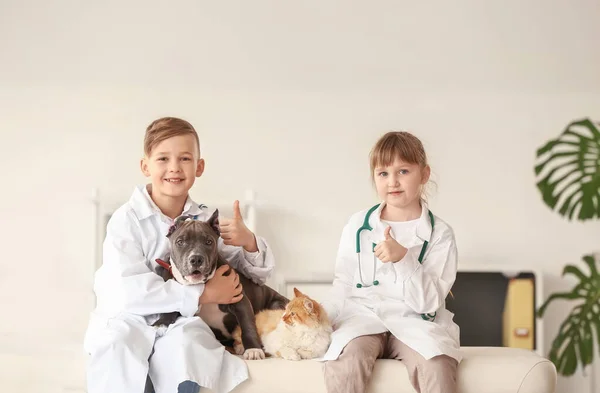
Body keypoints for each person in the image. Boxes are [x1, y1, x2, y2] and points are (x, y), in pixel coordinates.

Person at [83, 117, 275, 393]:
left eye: (184, 158)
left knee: (189, 348)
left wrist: (249, 242)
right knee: (119, 350)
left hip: (182, 323)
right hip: (129, 320)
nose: (174, 168)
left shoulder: (205, 221)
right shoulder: (126, 221)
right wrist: (203, 295)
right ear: (145, 166)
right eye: (163, 158)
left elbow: (257, 274)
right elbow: (130, 293)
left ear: (199, 167)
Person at [321, 131, 461, 393]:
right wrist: (322, 318)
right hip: (362, 318)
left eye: (403, 171)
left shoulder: (441, 234)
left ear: (424, 174)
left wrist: (404, 258)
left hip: (416, 322)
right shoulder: (357, 226)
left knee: (438, 365)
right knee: (346, 363)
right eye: (383, 173)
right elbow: (344, 282)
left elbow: (429, 302)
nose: (393, 182)